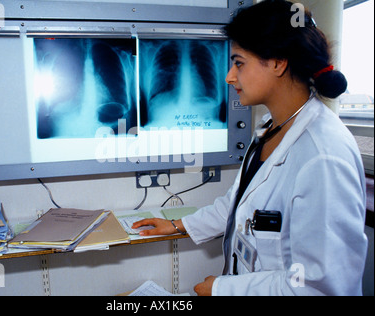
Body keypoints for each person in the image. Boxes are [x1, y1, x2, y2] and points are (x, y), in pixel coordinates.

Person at [132, 0, 368, 296]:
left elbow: (323, 286)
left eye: (239, 63)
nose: (230, 76)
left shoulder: (323, 156)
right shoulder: (273, 128)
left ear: (278, 62)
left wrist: (221, 289)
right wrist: (179, 225)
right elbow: (239, 204)